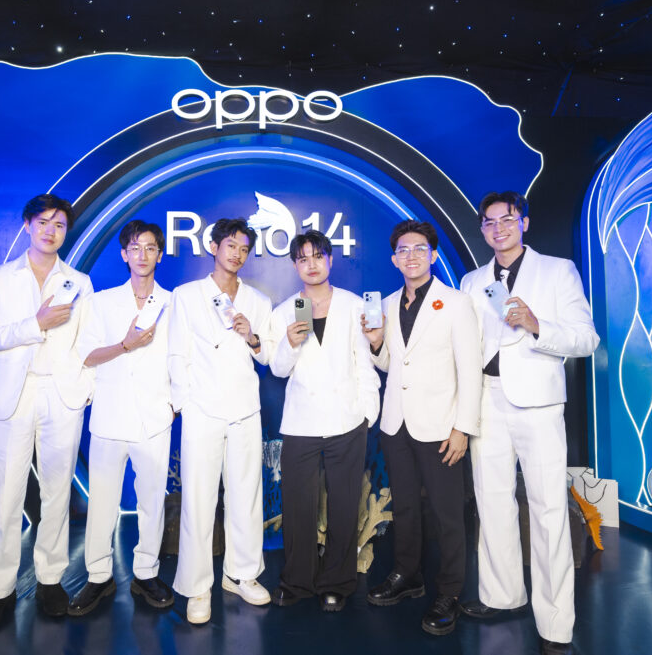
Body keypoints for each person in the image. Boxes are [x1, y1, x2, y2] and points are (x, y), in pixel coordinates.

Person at [459, 191, 599, 655]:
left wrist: (538, 325)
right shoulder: (472, 280)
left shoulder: (558, 271)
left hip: (538, 404)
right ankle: (502, 596)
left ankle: (556, 623)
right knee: (492, 502)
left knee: (548, 509)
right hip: (486, 400)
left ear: (524, 223)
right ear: (482, 230)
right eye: (490, 222)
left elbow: (586, 339)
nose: (498, 228)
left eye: (507, 219)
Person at [0, 194, 93, 631]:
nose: (51, 231)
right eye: (43, 222)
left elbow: (88, 343)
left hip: (62, 396)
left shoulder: (79, 282)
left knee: (58, 492)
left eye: (59, 225)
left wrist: (84, 390)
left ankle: (50, 580)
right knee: (5, 494)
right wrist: (34, 324)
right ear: (26, 225)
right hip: (13, 396)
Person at [361, 219, 482, 636]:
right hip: (396, 423)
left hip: (442, 426)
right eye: (403, 250)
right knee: (406, 507)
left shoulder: (456, 303)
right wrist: (376, 342)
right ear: (394, 259)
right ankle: (407, 575)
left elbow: (470, 370)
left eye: (419, 249)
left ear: (432, 255)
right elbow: (390, 365)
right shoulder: (387, 303)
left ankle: (449, 591)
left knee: (448, 514)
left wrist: (463, 427)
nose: (410, 256)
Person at [266, 230, 381, 612]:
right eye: (303, 258)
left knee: (345, 504)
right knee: (298, 505)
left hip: (347, 419)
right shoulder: (286, 310)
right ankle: (296, 581)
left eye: (318, 256)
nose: (311, 264)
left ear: (330, 260)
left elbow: (363, 363)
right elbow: (278, 369)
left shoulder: (353, 305)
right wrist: (290, 342)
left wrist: (367, 413)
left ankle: (337, 582)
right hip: (300, 422)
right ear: (295, 265)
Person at [167, 217, 273, 624]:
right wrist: (185, 403)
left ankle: (241, 574)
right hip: (202, 410)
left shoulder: (257, 301)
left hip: (245, 409)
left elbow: (267, 355)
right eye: (231, 246)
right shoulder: (186, 295)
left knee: (246, 494)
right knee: (199, 498)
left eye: (244, 249)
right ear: (214, 247)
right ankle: (197, 587)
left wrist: (252, 336)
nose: (237, 254)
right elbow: (176, 353)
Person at [68, 220, 175, 616]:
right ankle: (99, 576)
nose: (142, 255)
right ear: (124, 254)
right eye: (135, 248)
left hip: (154, 418)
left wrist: (173, 405)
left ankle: (146, 572)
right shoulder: (101, 302)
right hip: (110, 416)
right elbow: (86, 354)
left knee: (152, 502)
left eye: (150, 248)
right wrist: (125, 345)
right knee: (102, 503)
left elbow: (181, 357)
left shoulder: (173, 303)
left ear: (159, 255)